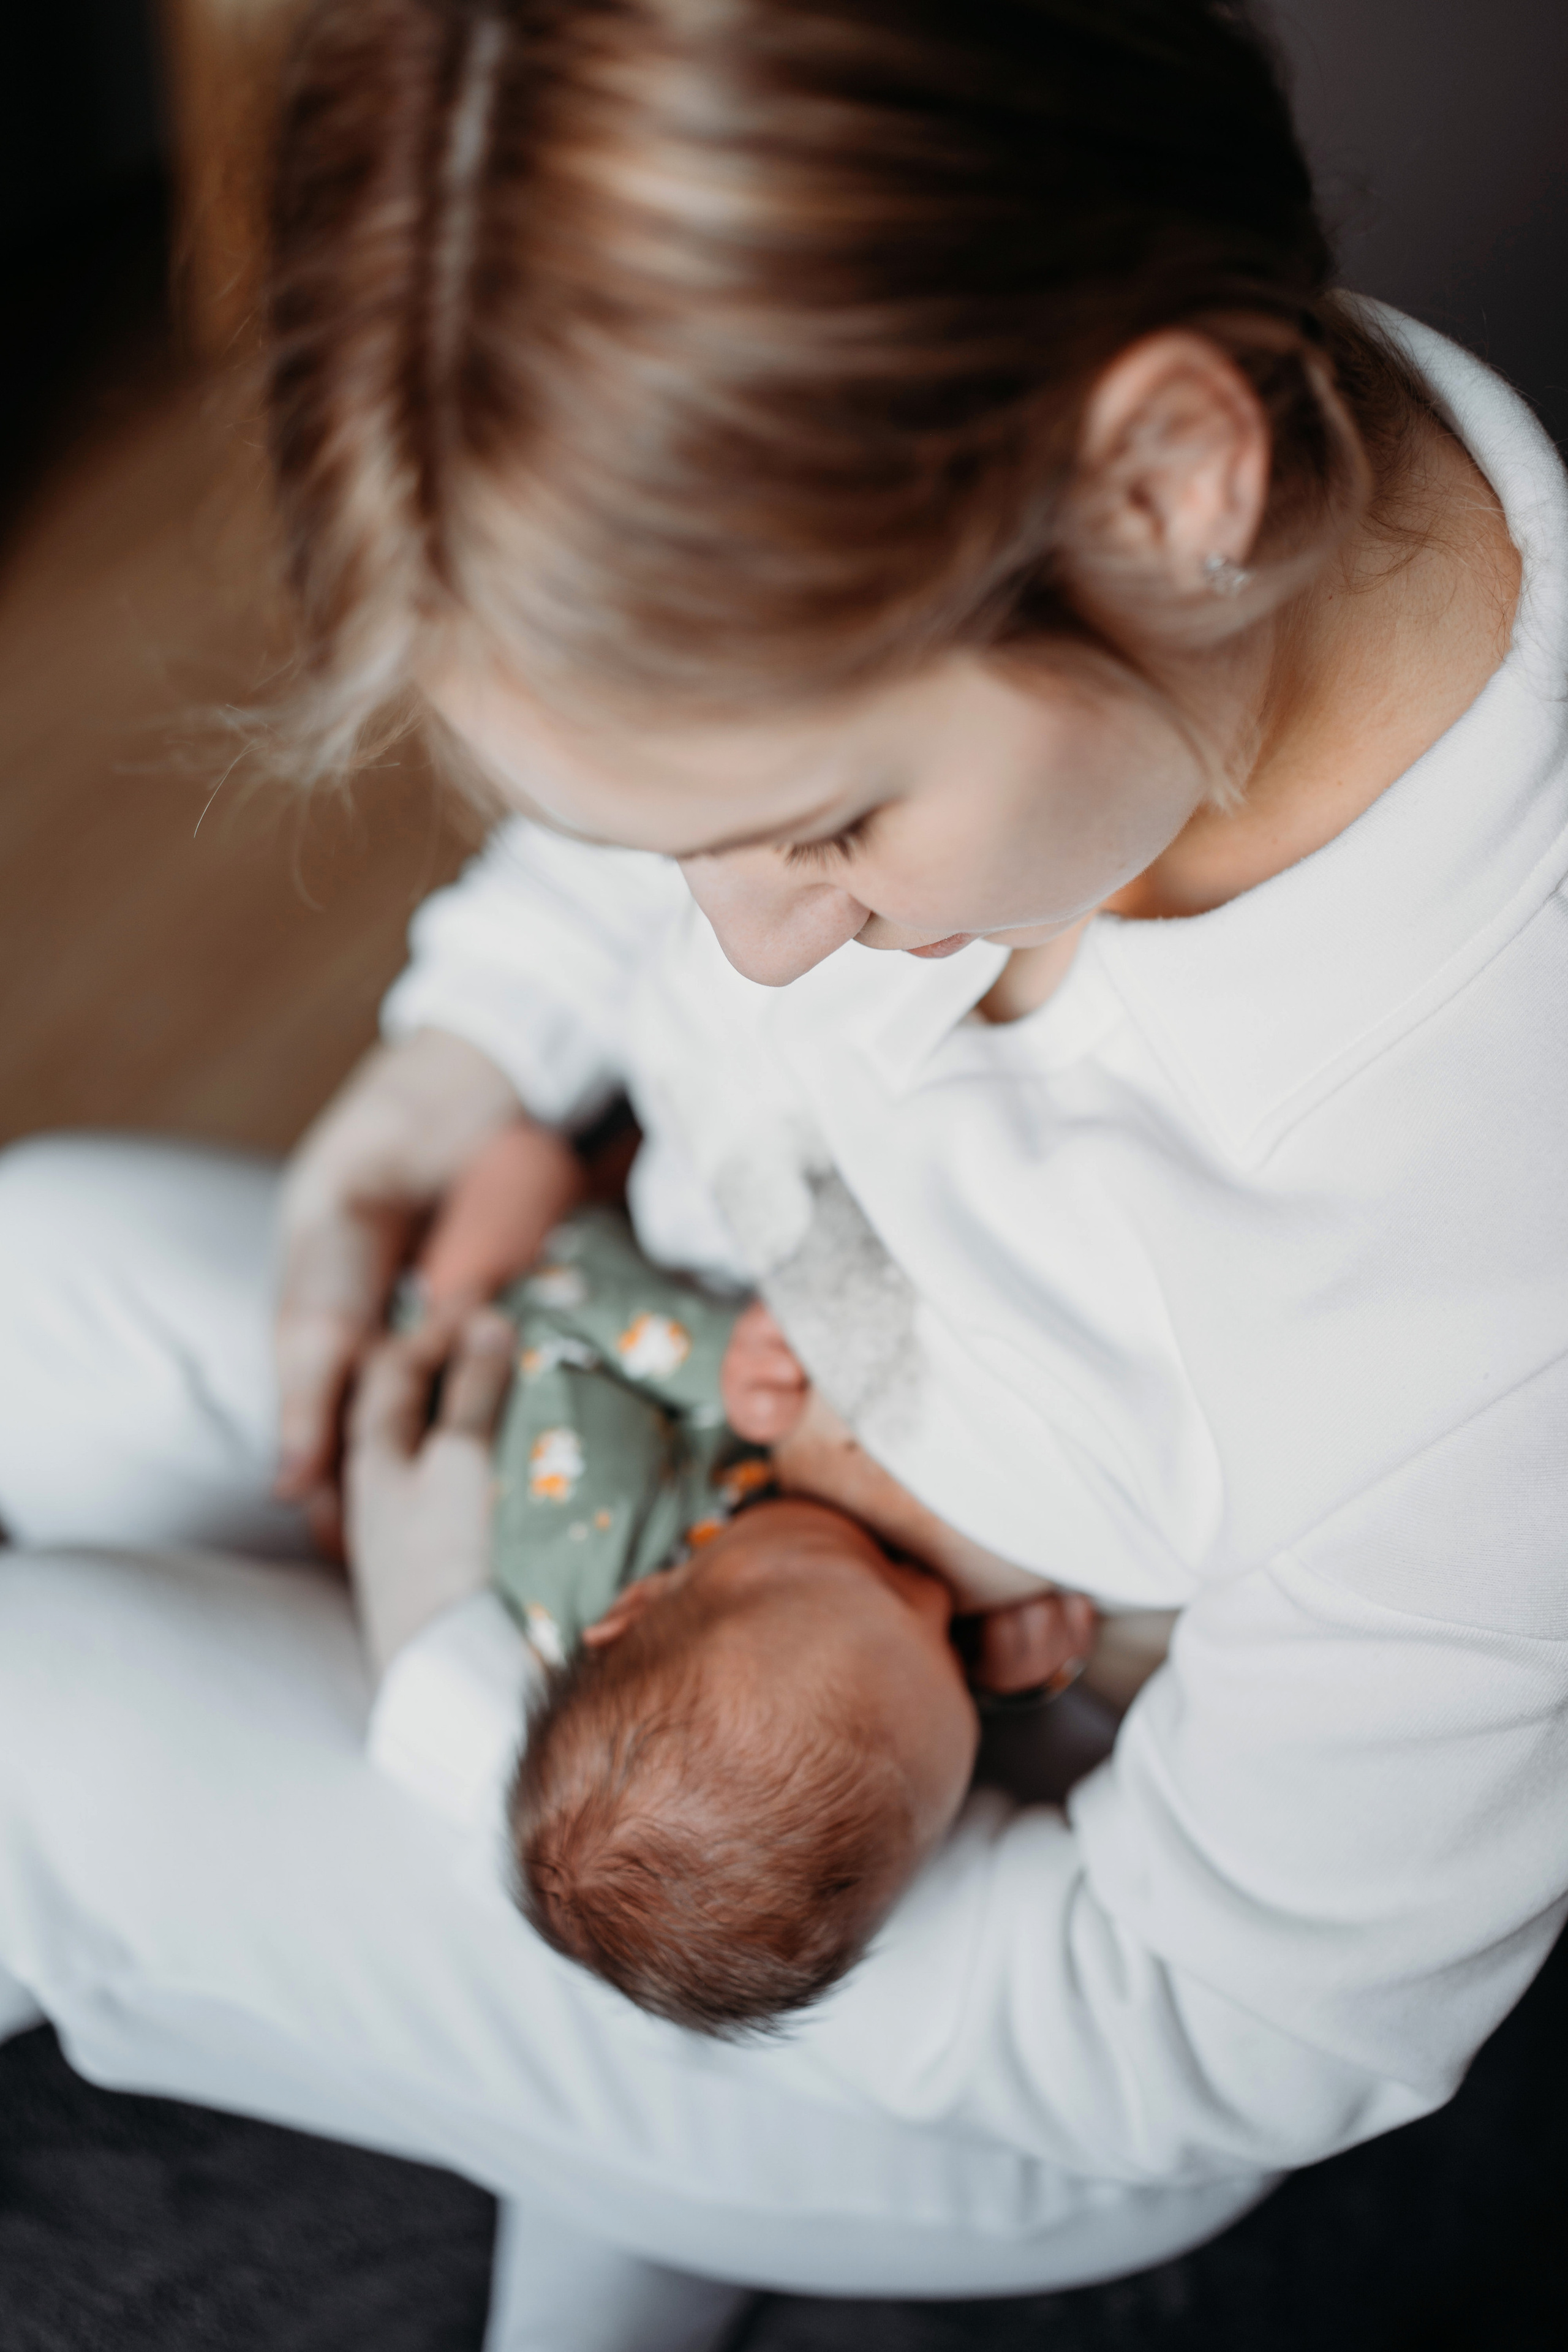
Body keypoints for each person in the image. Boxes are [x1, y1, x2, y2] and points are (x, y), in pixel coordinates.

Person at [2, 3, 1566, 2348]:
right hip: (685, 1462)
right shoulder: (1107, 496)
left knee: (35, 1732)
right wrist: (472, 1045)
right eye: (683, 847)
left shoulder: (1494, 1275)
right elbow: (656, 795)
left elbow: (1196, 2025)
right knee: (28, 1272)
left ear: (1167, 488)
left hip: (965, 1994)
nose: (736, 950)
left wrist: (462, 1699)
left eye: (827, 824)